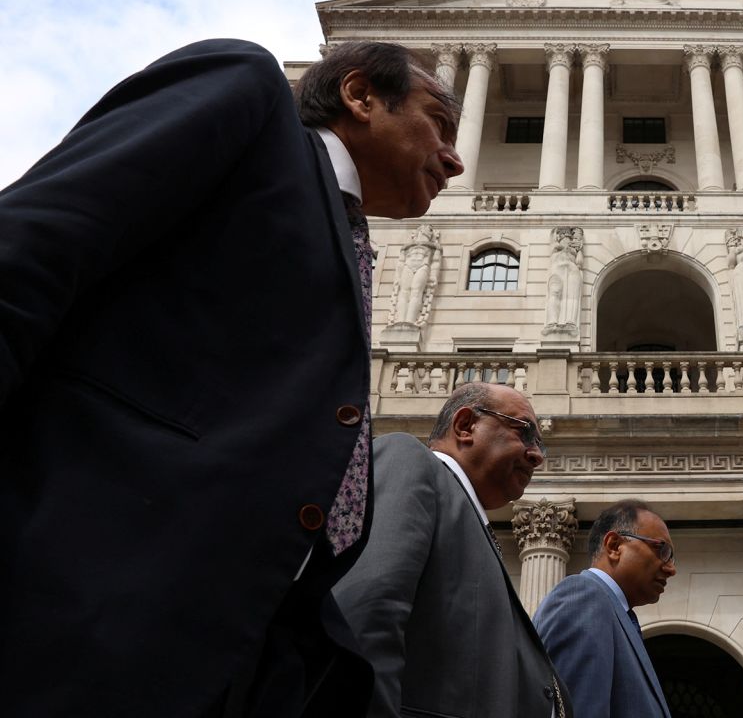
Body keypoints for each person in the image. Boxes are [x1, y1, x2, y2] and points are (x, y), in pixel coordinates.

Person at [0, 38, 462, 717]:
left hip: (221, 653)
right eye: (439, 125)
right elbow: (31, 247)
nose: (455, 158)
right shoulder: (248, 96)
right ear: (362, 96)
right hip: (76, 599)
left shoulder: (350, 236)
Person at [332, 383, 572, 718]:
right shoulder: (411, 461)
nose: (537, 455)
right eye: (525, 433)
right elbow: (365, 614)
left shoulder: (471, 523)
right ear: (465, 426)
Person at [534, 500, 677, 718]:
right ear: (614, 546)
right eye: (662, 549)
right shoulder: (582, 598)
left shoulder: (617, 615)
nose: (671, 568)